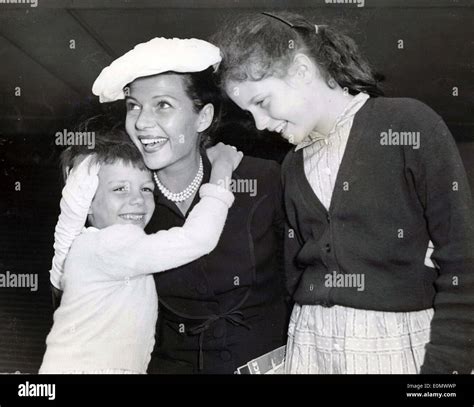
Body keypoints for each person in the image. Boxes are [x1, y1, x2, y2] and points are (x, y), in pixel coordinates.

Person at [212, 11, 474, 374]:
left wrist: (447, 369)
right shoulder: (292, 165)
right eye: (248, 112)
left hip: (398, 348)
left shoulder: (409, 124)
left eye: (262, 102)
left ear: (301, 70)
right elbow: (292, 276)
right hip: (310, 347)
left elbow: (464, 261)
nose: (259, 124)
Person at [91, 37, 290, 374]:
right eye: (133, 105)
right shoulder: (125, 206)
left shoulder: (262, 179)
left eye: (162, 105)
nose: (141, 122)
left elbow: (301, 283)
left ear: (203, 118)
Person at [42, 130, 241, 373]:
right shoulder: (112, 243)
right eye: (120, 189)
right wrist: (222, 168)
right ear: (86, 203)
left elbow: (60, 265)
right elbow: (199, 238)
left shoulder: (88, 246)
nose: (137, 200)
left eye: (146, 189)